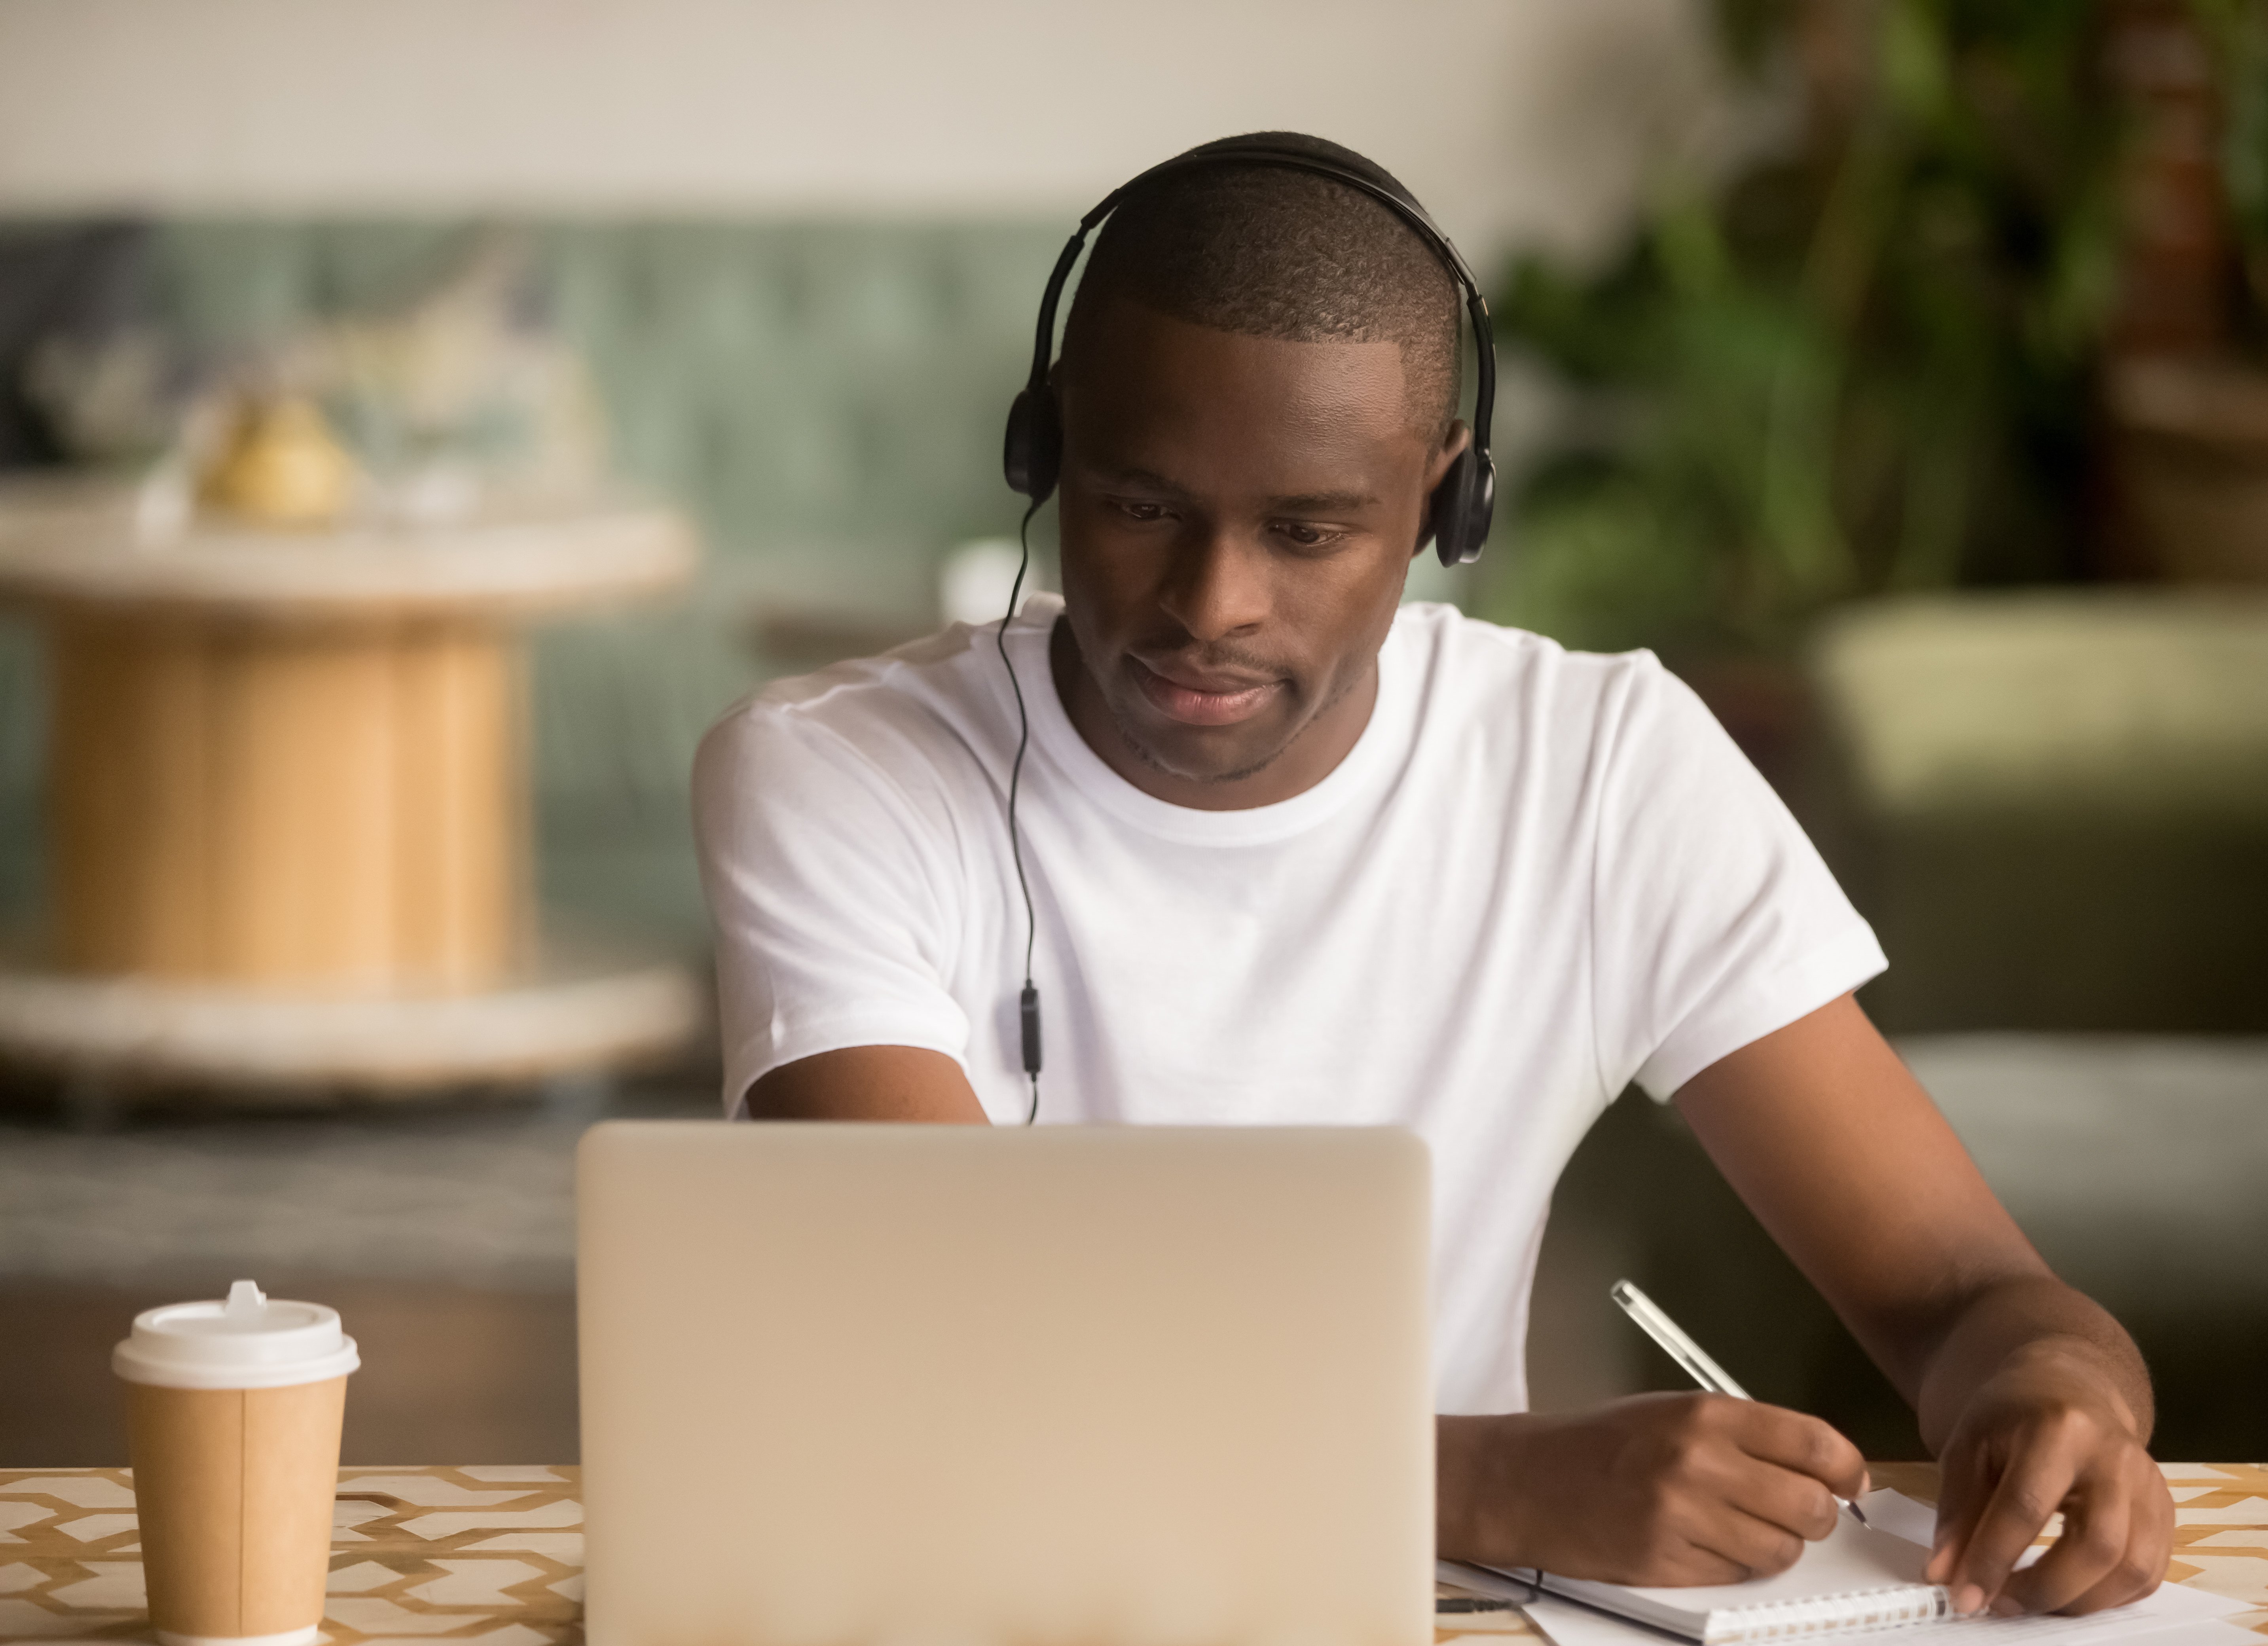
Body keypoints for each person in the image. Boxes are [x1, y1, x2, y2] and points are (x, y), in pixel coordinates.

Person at [692, 132, 2173, 1618]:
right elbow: (932, 1361)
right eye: (1142, 507)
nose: (1213, 605)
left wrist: (2057, 1392)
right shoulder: (837, 773)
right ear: (1047, 453)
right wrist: (1490, 1483)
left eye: (1306, 530)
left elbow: (1966, 1296)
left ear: (1445, 506)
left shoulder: (1602, 772)